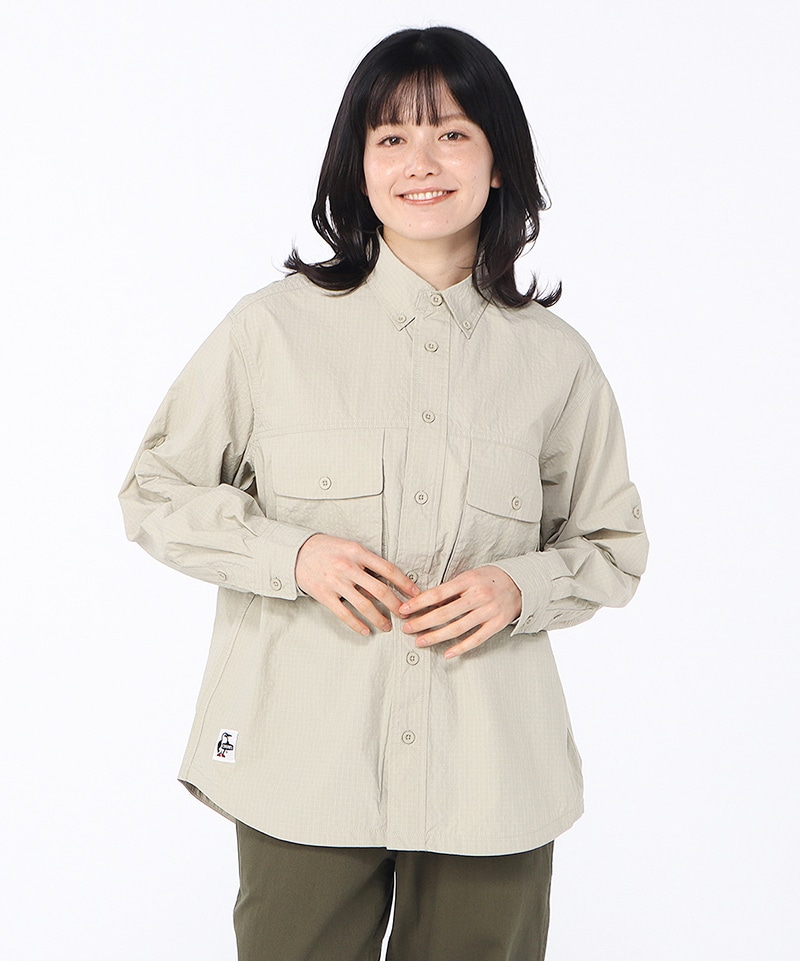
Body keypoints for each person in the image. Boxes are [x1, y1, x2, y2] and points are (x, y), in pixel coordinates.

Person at [119, 25, 648, 961]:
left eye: (452, 133)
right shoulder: (269, 332)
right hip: (303, 761)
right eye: (391, 136)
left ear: (498, 162)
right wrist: (292, 554)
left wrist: (520, 586)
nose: (421, 162)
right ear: (356, 165)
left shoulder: (555, 362)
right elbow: (155, 489)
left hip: (492, 774)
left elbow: (612, 545)